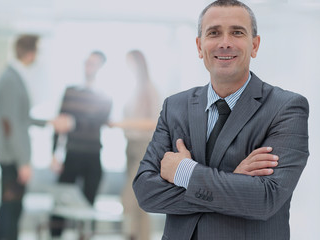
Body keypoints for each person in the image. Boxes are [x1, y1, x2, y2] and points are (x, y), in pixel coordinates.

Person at [132, 1, 309, 239]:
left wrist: (185, 171)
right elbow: (146, 192)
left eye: (237, 32)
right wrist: (235, 184)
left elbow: (265, 199)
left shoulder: (286, 108)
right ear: (199, 45)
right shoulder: (175, 106)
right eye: (214, 33)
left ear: (254, 45)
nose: (225, 42)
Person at [0, 34, 73, 240]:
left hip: (11, 155)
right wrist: (23, 162)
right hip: (12, 157)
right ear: (30, 53)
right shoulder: (11, 79)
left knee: (8, 207)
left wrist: (48, 122)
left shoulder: (14, 76)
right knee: (11, 209)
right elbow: (11, 125)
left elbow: (20, 118)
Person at [49, 51, 112, 238]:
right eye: (87, 63)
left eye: (93, 64)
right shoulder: (71, 92)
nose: (89, 67)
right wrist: (53, 154)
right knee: (60, 204)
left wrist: (74, 122)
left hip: (92, 155)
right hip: (71, 153)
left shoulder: (106, 96)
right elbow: (60, 123)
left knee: (88, 206)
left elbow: (98, 121)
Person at [110, 50, 160, 240]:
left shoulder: (150, 89)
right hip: (130, 145)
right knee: (140, 202)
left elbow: (154, 122)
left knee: (129, 200)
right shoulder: (133, 89)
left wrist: (122, 123)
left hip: (143, 147)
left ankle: (133, 236)